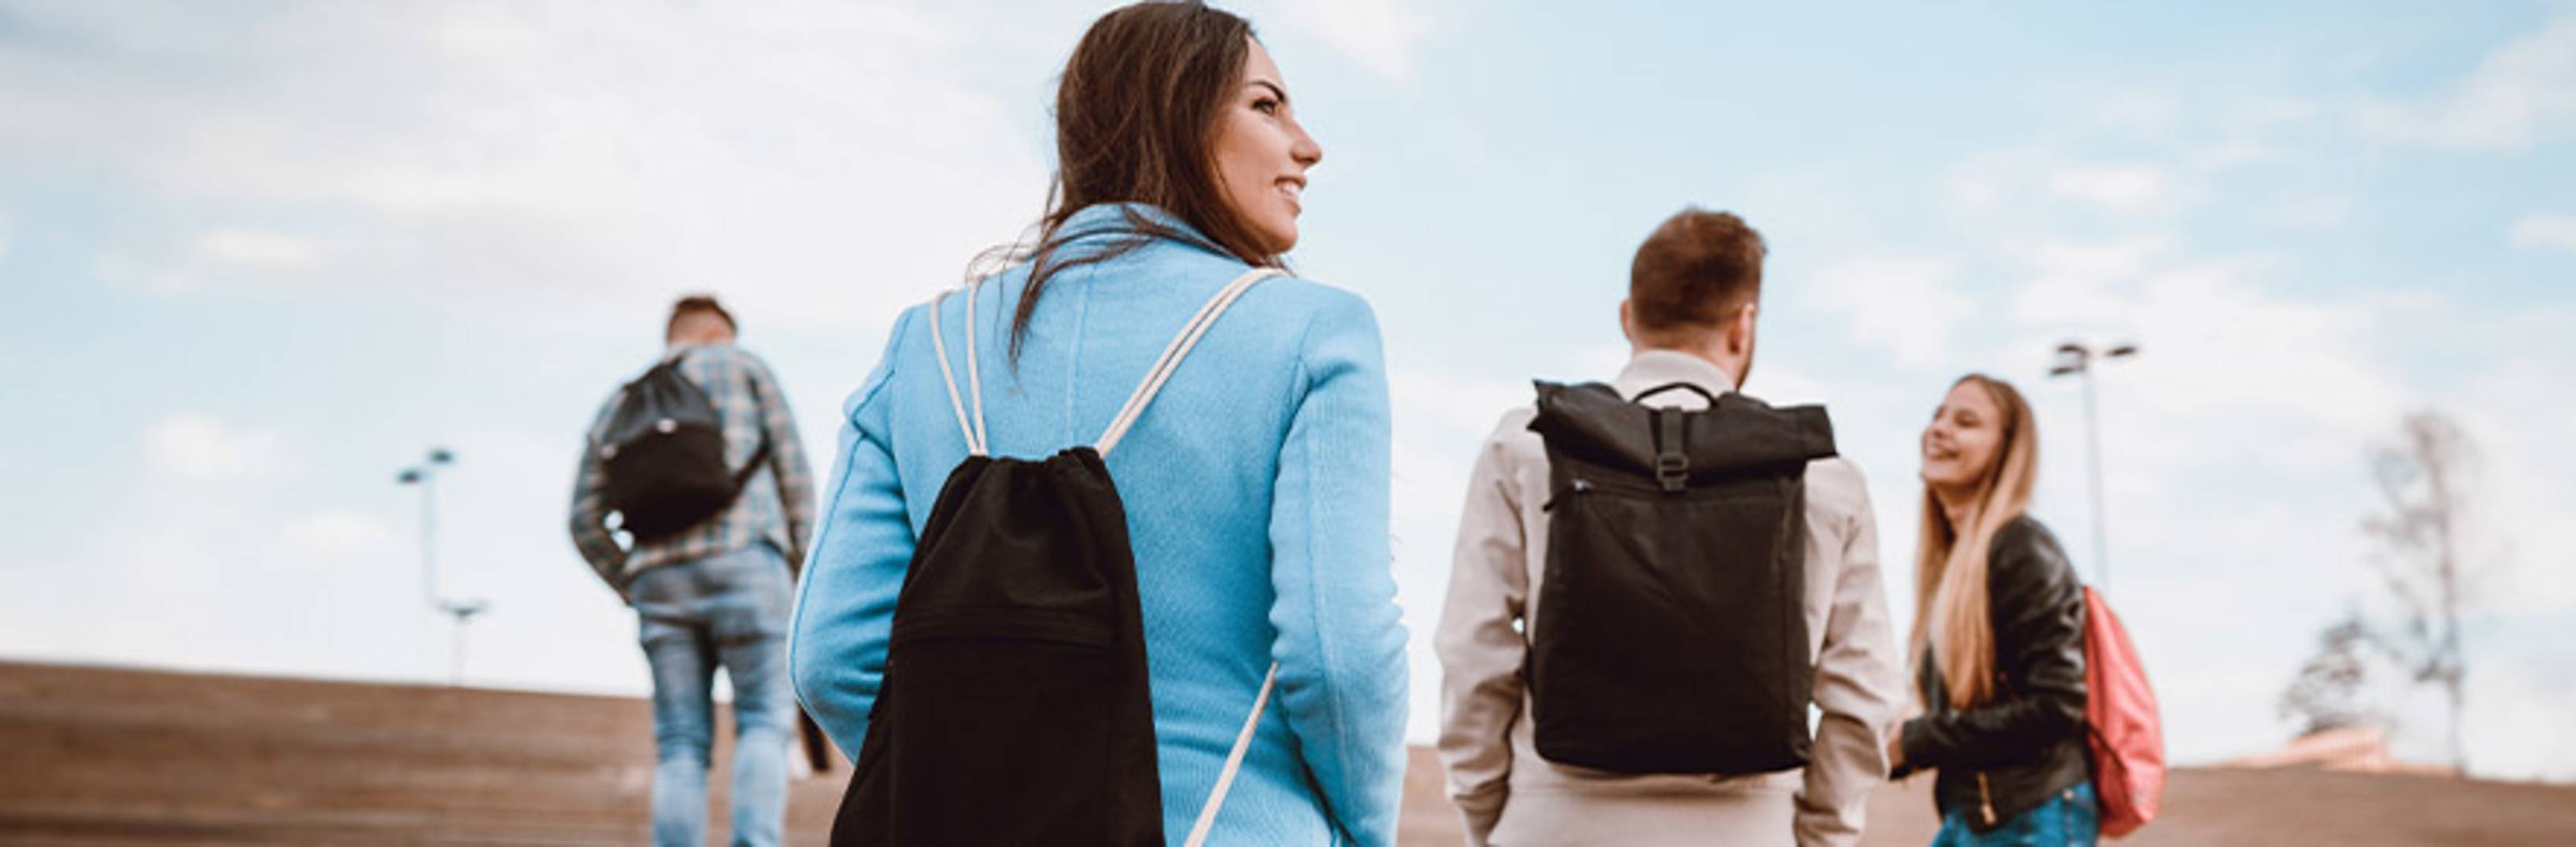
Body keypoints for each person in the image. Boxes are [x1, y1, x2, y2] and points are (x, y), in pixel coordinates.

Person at [789, 2, 1409, 843]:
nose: (1308, 144)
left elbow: (829, 656)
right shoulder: (1314, 331)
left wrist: (995, 785)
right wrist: (1363, 830)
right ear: (1177, 111)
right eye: (1267, 106)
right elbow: (1340, 659)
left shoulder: (926, 344)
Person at [1436, 207, 1902, 847]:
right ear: (1744, 326)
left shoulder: (1527, 445)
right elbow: (1863, 693)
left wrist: (1491, 810)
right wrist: (1820, 832)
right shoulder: (1823, 476)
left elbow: (1475, 652)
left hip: (1553, 822)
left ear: (1628, 315)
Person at [569, 294, 817, 847]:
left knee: (680, 740)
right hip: (749, 561)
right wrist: (802, 571)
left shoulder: (620, 403)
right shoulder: (744, 365)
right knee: (763, 719)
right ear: (712, 332)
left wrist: (632, 581)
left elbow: (582, 520)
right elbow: (794, 474)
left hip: (660, 578)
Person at [1890, 375, 2097, 846]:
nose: (1939, 429)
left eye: (1965, 422)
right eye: (1937, 415)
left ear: (2005, 452)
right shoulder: (1952, 566)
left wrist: (1917, 739)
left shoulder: (2021, 548)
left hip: (2032, 814)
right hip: (1977, 816)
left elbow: (2056, 707)